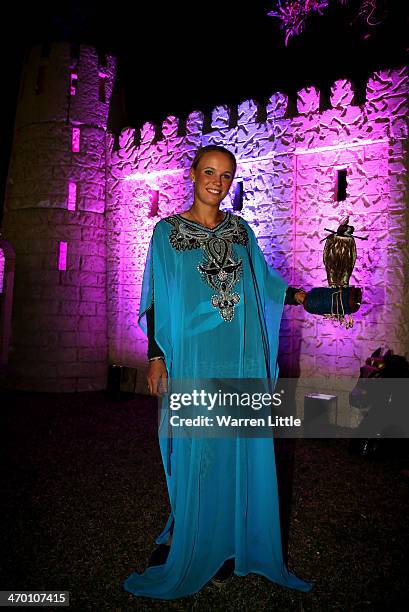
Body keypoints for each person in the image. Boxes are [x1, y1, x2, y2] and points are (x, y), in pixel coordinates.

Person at [124, 145, 313, 599]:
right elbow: (155, 298)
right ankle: (195, 537)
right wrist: (156, 356)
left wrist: (309, 298)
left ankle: (229, 539)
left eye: (226, 175)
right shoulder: (166, 233)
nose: (217, 182)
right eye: (209, 172)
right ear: (193, 174)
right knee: (196, 450)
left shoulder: (242, 232)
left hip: (238, 355)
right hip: (191, 356)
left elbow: (265, 284)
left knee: (232, 446)